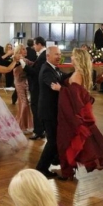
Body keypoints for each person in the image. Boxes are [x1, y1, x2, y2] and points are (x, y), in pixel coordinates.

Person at [54, 48, 103, 179]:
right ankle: (68, 171)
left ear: (78, 58)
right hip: (74, 112)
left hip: (72, 114)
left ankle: (67, 172)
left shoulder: (77, 75)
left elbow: (74, 97)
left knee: (65, 141)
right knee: (69, 141)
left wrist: (60, 89)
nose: (71, 58)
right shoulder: (80, 73)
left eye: (73, 56)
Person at [35, 46, 68, 179]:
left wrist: (77, 72)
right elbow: (53, 85)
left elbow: (63, 77)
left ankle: (54, 159)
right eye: (56, 54)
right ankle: (41, 168)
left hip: (52, 111)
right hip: (48, 112)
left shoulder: (54, 68)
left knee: (54, 139)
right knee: (52, 141)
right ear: (48, 56)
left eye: (60, 54)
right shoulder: (46, 70)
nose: (59, 56)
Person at [21, 36, 47, 140]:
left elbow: (36, 72)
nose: (34, 47)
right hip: (37, 86)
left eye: (35, 44)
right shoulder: (42, 55)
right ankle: (40, 130)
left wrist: (24, 65)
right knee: (37, 108)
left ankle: (38, 131)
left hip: (37, 86)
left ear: (39, 44)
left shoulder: (43, 55)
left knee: (35, 108)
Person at [13, 44, 33, 133]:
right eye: (23, 49)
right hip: (19, 83)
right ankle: (20, 125)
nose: (26, 50)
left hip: (25, 83)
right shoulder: (15, 60)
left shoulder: (26, 60)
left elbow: (34, 65)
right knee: (24, 103)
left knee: (25, 103)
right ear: (19, 51)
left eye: (25, 49)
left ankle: (26, 125)